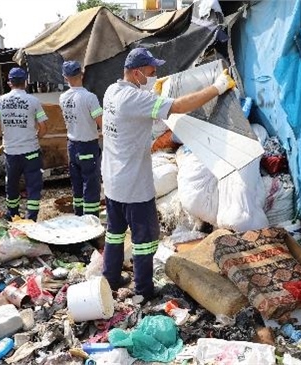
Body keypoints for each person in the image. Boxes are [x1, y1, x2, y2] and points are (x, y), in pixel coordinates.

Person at [101, 48, 236, 299]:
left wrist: (152, 92)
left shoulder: (112, 91)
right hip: (133, 185)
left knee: (115, 232)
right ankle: (143, 290)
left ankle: (110, 279)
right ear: (136, 71)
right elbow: (179, 105)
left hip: (112, 181)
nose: (154, 75)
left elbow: (136, 114)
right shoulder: (134, 99)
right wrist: (217, 87)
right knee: (146, 239)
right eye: (151, 72)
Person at [0, 67, 48, 221]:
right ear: (25, 82)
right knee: (33, 186)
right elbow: (44, 127)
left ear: (9, 83)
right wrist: (37, 137)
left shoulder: (1, 101)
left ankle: (12, 215)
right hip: (31, 151)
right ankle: (31, 219)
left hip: (11, 153)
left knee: (11, 185)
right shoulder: (33, 101)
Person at [59, 61, 103, 217]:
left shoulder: (63, 98)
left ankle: (78, 217)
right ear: (82, 75)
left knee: (77, 185)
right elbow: (101, 122)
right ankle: (90, 221)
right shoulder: (89, 98)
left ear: (65, 78)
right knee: (90, 184)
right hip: (87, 146)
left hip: (72, 146)